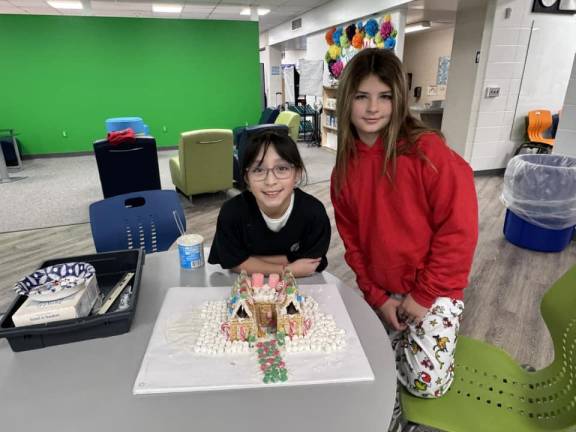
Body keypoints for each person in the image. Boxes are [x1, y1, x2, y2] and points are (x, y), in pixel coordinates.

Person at [330, 48, 478, 401]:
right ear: (346, 100)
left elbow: (460, 230)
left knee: (424, 386)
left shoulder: (426, 151)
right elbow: (354, 246)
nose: (372, 108)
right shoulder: (343, 172)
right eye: (361, 97)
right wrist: (377, 298)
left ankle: (430, 344)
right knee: (357, 366)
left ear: (398, 100)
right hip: (383, 292)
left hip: (433, 289)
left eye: (384, 97)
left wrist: (424, 295)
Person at [209, 131, 331, 277]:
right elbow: (232, 262)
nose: (270, 181)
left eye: (282, 168)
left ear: (297, 173)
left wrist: (250, 261)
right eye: (258, 170)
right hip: (244, 288)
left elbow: (311, 263)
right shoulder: (232, 213)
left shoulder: (314, 213)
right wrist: (287, 270)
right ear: (246, 177)